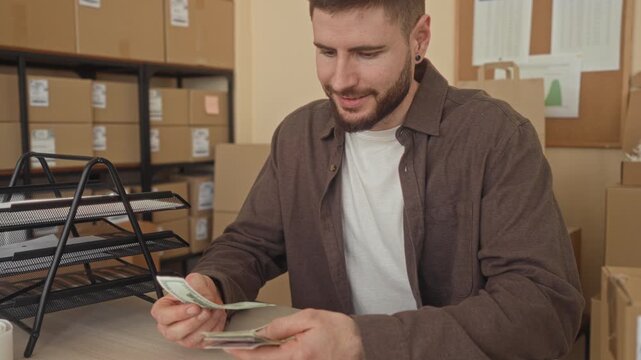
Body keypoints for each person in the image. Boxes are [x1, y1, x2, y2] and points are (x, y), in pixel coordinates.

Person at [151, 0, 585, 358]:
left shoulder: (495, 136)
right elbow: (251, 242)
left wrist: (362, 340)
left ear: (419, 39)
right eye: (325, 51)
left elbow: (542, 309)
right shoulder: (297, 136)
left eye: (367, 53)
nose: (341, 80)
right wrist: (211, 285)